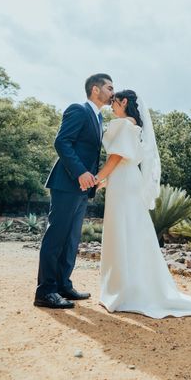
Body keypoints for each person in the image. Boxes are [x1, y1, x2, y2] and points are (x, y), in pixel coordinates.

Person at [95, 89, 191, 318]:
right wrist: (106, 181)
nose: (111, 106)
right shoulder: (136, 129)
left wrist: (97, 177)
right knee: (131, 230)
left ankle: (121, 291)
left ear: (124, 102)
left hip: (123, 183)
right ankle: (131, 287)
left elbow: (116, 158)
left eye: (114, 102)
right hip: (128, 180)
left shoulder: (123, 125)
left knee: (121, 231)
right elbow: (125, 160)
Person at [34, 74, 114, 309]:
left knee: (71, 239)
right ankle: (45, 291)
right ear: (95, 90)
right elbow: (62, 142)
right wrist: (80, 172)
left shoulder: (98, 119)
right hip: (66, 184)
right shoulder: (78, 110)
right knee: (56, 237)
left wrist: (95, 179)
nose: (113, 92)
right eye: (109, 87)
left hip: (83, 188)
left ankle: (63, 285)